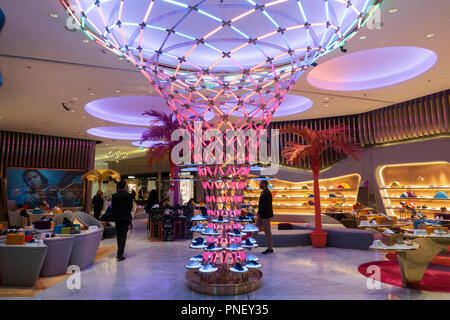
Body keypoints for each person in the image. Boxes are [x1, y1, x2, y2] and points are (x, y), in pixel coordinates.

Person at [112, 181, 133, 261]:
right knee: (123, 235)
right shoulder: (128, 196)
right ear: (124, 186)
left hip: (117, 218)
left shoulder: (114, 196)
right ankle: (120, 253)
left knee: (119, 235)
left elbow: (113, 208)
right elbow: (130, 208)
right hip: (125, 218)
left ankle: (119, 252)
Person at [255, 180, 274, 254]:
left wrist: (260, 213)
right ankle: (249, 243)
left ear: (265, 184)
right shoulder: (263, 192)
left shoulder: (267, 193)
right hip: (261, 214)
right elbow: (261, 204)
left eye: (260, 183)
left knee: (267, 232)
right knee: (255, 229)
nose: (259, 184)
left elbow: (266, 206)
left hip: (265, 215)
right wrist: (259, 212)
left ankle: (270, 248)